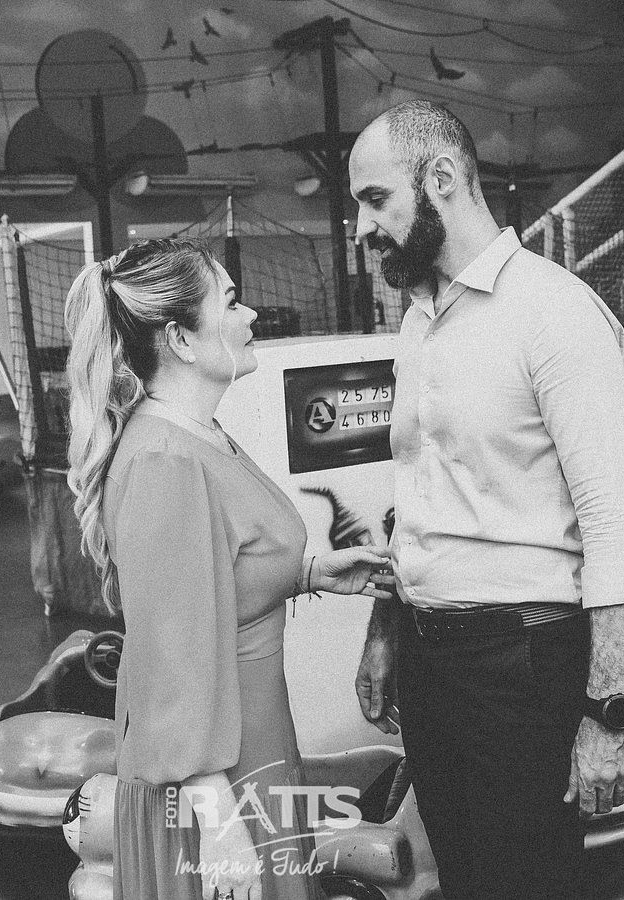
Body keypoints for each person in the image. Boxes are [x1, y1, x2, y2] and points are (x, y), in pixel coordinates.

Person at [349, 100, 624, 900]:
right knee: (464, 879)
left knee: (529, 884)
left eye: (375, 199)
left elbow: (615, 521)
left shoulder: (554, 312)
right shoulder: (419, 320)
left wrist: (611, 713)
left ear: (442, 177)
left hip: (523, 663)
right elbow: (417, 496)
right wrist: (385, 632)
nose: (362, 228)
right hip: (430, 659)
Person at [64, 238, 391, 900]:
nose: (251, 316)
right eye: (232, 302)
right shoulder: (166, 460)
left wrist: (308, 572)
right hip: (217, 784)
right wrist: (219, 834)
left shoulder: (198, 435)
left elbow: (211, 577)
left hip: (252, 755)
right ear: (181, 339)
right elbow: (170, 664)